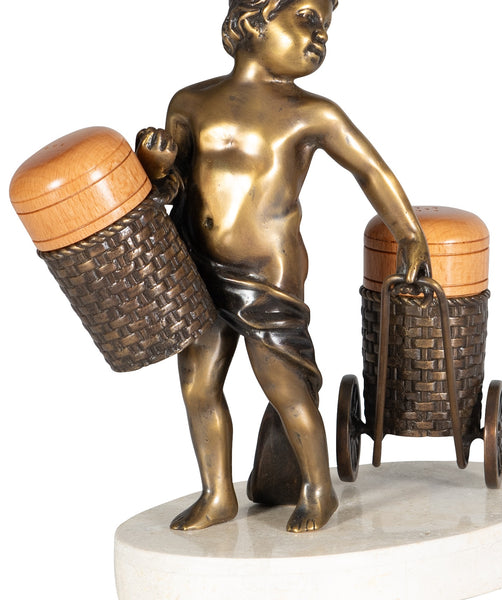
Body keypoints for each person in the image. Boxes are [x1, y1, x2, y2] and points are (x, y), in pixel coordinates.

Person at [136, 0, 430, 533]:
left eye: (326, 27)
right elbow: (173, 188)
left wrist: (409, 233)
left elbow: (371, 171)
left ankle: (318, 488)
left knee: (284, 385)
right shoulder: (190, 102)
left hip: (268, 273)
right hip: (195, 265)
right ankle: (217, 493)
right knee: (199, 384)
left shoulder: (313, 113)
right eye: (308, 19)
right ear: (254, 21)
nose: (321, 36)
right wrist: (156, 167)